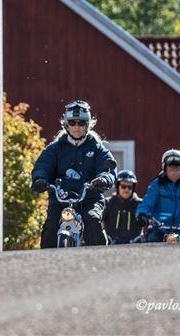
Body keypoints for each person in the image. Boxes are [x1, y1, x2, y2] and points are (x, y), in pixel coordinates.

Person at [31, 100, 117, 248]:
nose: (77, 127)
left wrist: (104, 179)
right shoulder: (54, 149)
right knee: (50, 227)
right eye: (72, 123)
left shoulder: (97, 148)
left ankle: (101, 261)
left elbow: (108, 167)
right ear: (66, 125)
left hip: (89, 198)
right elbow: (42, 166)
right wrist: (39, 179)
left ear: (88, 125)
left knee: (92, 221)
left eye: (81, 123)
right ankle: (45, 266)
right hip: (60, 199)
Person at [103, 170, 142, 244]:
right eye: (123, 187)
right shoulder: (108, 203)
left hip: (134, 247)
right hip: (111, 246)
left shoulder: (140, 205)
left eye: (130, 187)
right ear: (117, 187)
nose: (126, 189)